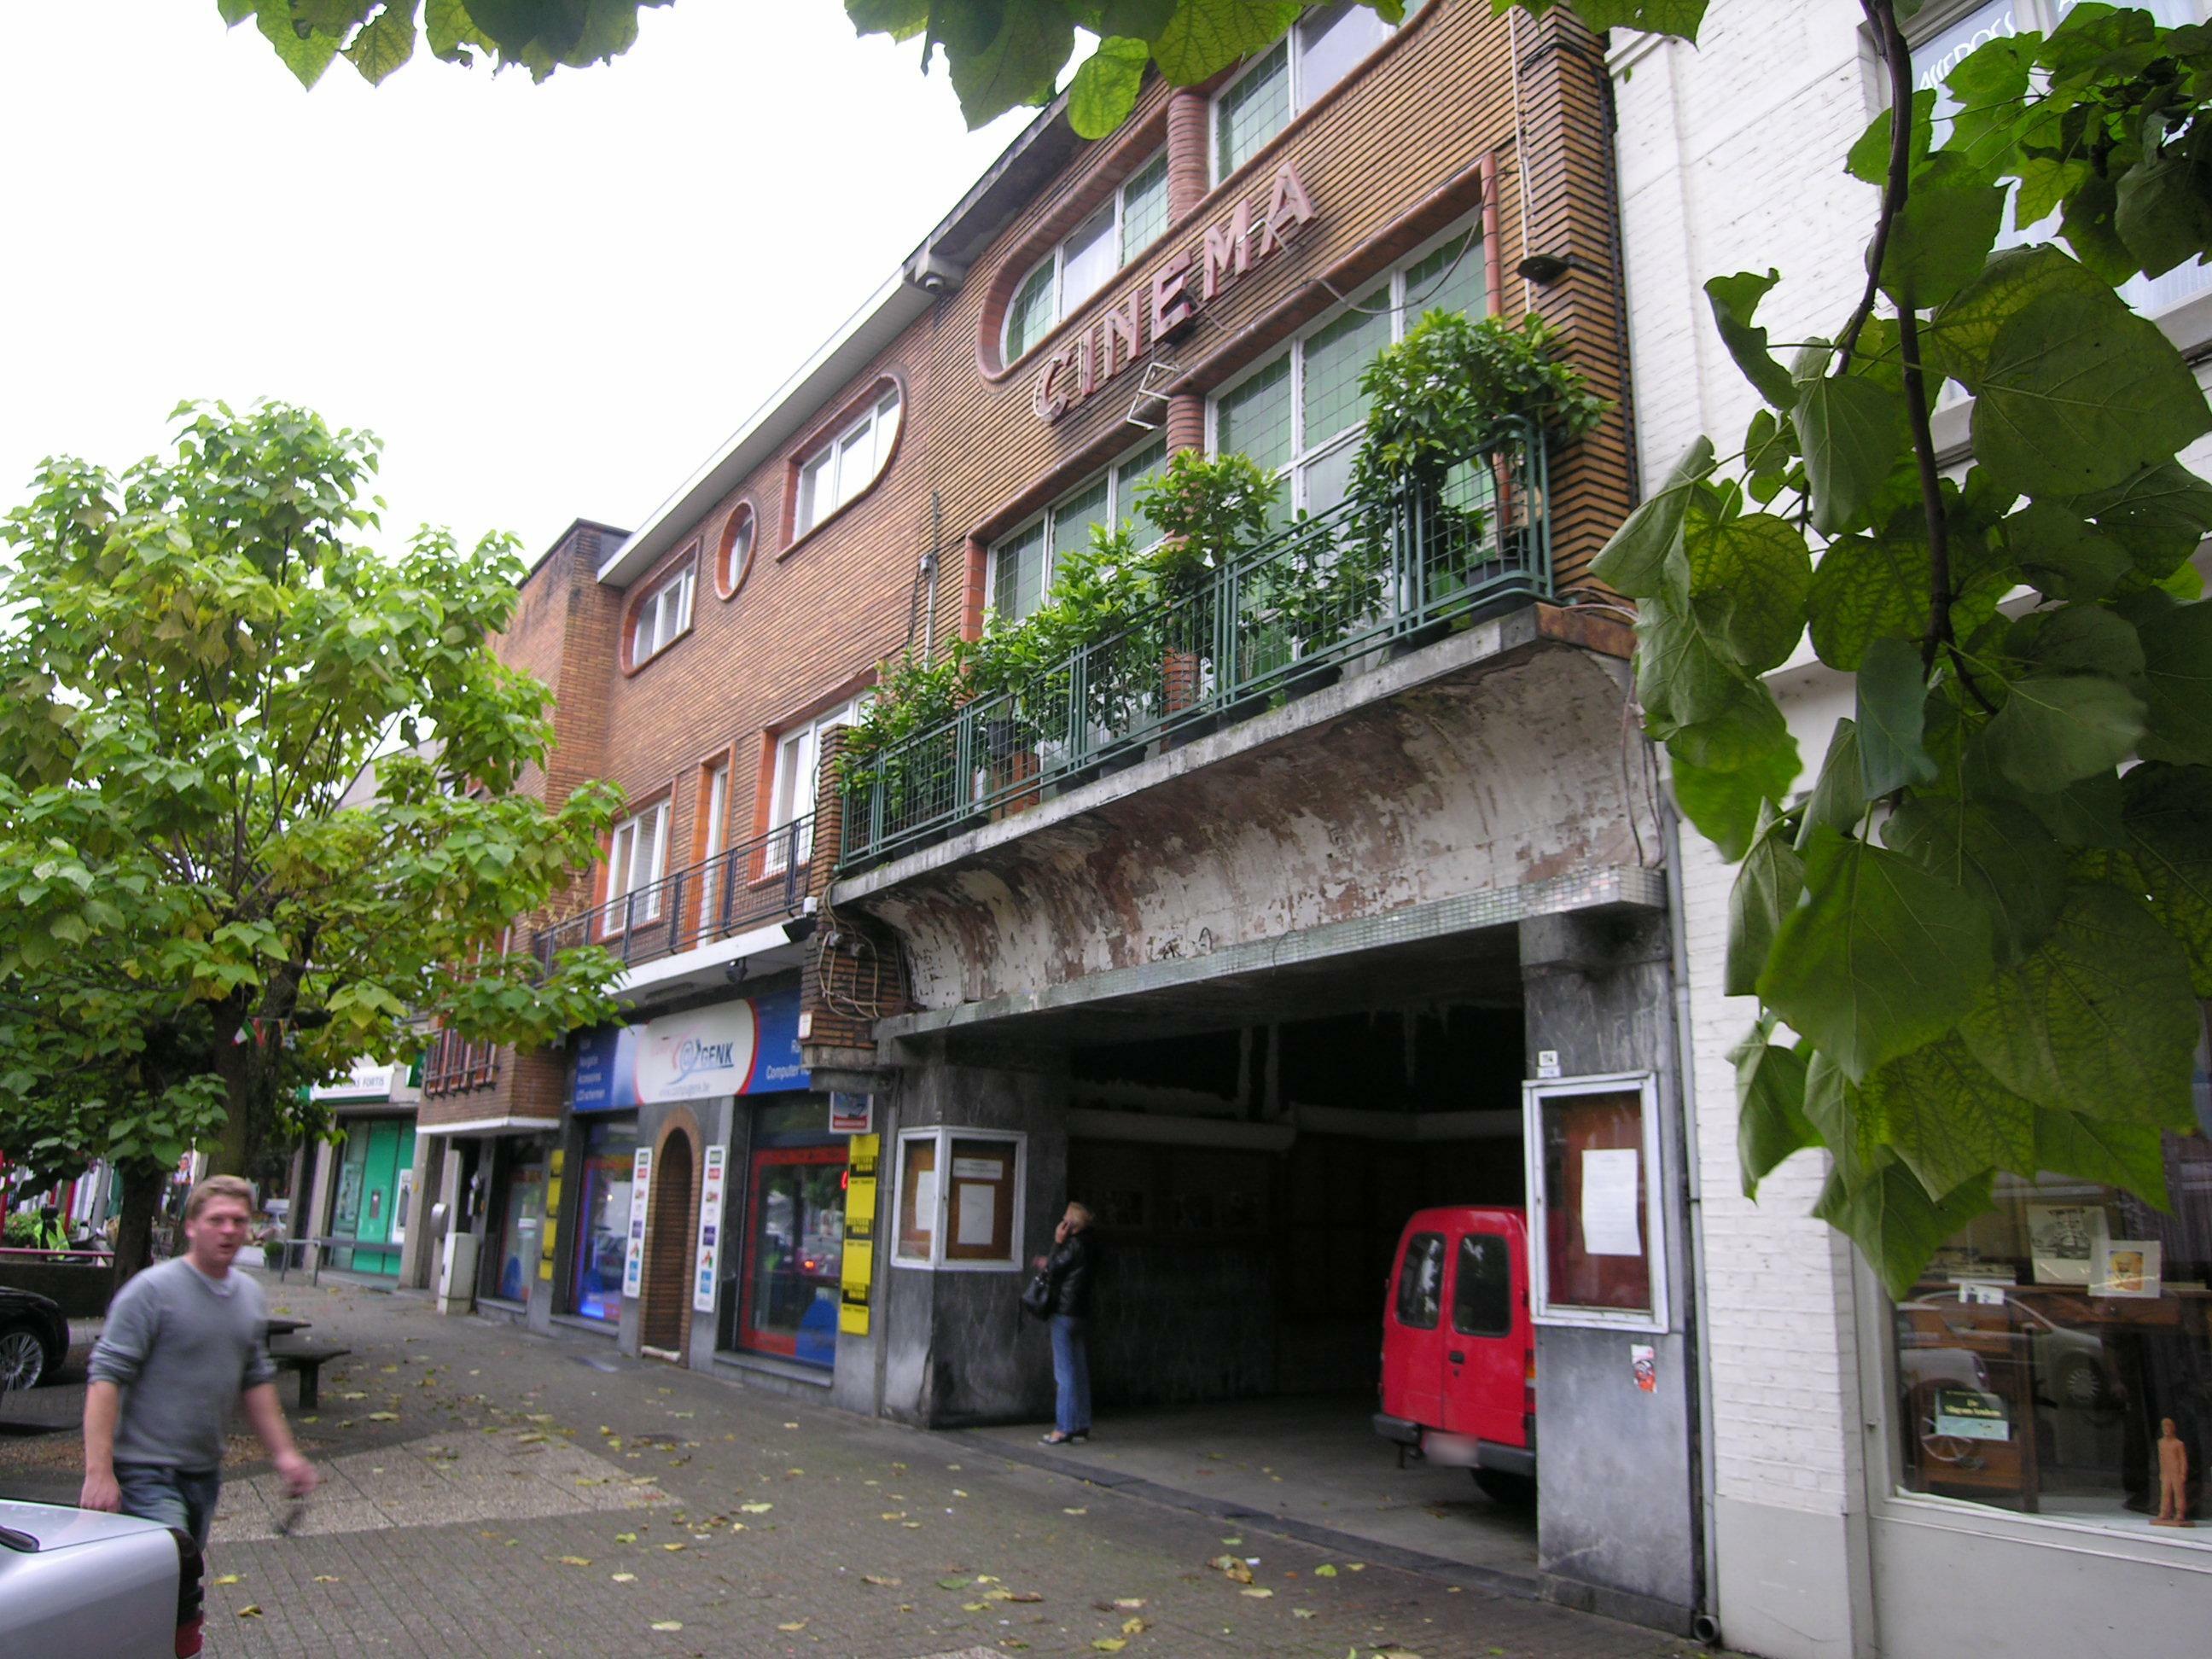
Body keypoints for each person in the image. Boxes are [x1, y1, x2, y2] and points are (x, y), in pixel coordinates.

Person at [81, 1174, 317, 1549]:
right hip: (144, 1474)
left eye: (239, 1221)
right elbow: (105, 1378)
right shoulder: (151, 1291)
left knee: (183, 1575)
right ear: (191, 1226)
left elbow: (255, 1380)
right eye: (216, 1220)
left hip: (204, 1473)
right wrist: (99, 1473)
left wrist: (286, 1455)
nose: (229, 1230)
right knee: (172, 1562)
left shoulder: (249, 1296)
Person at [1031, 1201, 1097, 1446]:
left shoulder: (1072, 1245)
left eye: (1065, 1218)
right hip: (1080, 1313)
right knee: (1079, 1370)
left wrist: (1057, 1243)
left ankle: (1064, 1428)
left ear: (1070, 1225)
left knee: (1065, 1372)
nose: (1062, 1220)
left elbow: (1054, 1268)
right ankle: (1081, 1424)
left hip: (1064, 1312)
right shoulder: (1091, 1244)